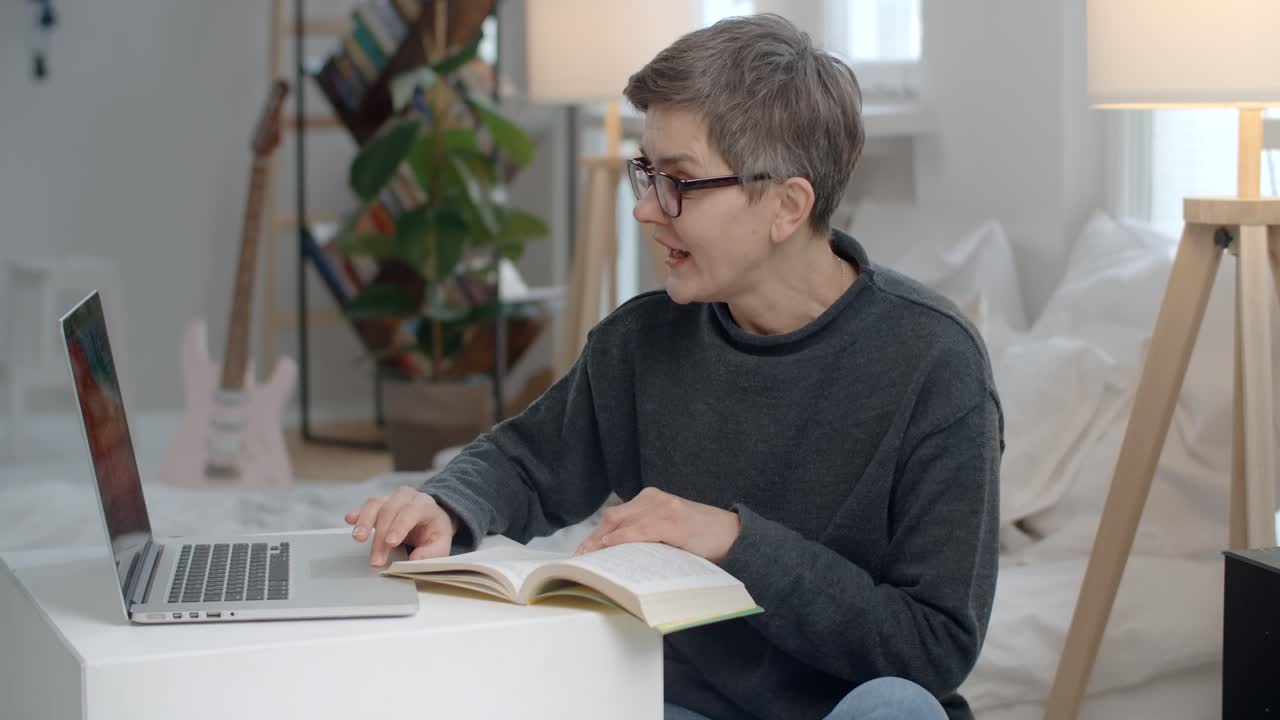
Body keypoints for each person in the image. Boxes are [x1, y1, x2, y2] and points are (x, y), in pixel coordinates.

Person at [345, 14, 1001, 720]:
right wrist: (443, 504)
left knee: (898, 707)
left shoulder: (934, 362)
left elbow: (932, 648)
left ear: (787, 205)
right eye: (646, 173)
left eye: (678, 183)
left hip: (855, 708)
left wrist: (732, 540)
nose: (644, 211)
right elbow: (528, 462)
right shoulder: (640, 341)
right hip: (679, 707)